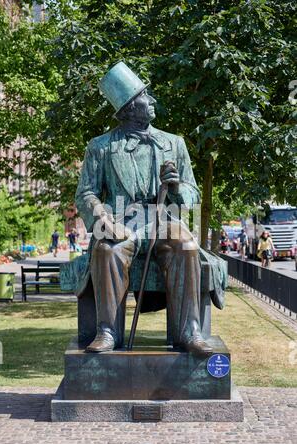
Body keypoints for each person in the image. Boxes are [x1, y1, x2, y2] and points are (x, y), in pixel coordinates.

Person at [75, 62, 214, 355]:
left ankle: (190, 332)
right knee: (106, 250)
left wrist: (176, 189)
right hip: (119, 219)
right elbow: (86, 193)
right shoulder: (100, 147)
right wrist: (101, 217)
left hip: (163, 219)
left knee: (186, 246)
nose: (151, 101)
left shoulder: (173, 144)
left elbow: (192, 191)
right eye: (144, 95)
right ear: (128, 109)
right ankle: (108, 332)